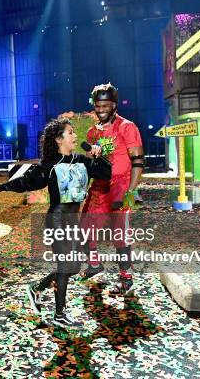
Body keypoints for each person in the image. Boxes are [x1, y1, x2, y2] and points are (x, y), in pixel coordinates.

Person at [0, 118, 111, 328]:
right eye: (70, 133)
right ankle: (59, 314)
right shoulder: (49, 167)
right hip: (57, 220)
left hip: (73, 221)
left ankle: (36, 289)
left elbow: (106, 173)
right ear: (58, 139)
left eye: (74, 133)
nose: (75, 136)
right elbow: (26, 182)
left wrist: (99, 155)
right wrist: (2, 187)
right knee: (65, 265)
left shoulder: (82, 161)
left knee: (74, 267)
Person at [81, 83, 144, 296]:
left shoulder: (127, 127)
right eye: (98, 106)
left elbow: (137, 161)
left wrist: (132, 191)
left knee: (120, 235)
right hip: (99, 187)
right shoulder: (92, 132)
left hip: (120, 187)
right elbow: (90, 163)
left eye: (105, 106)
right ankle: (95, 265)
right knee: (85, 228)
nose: (101, 110)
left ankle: (127, 279)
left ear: (114, 105)